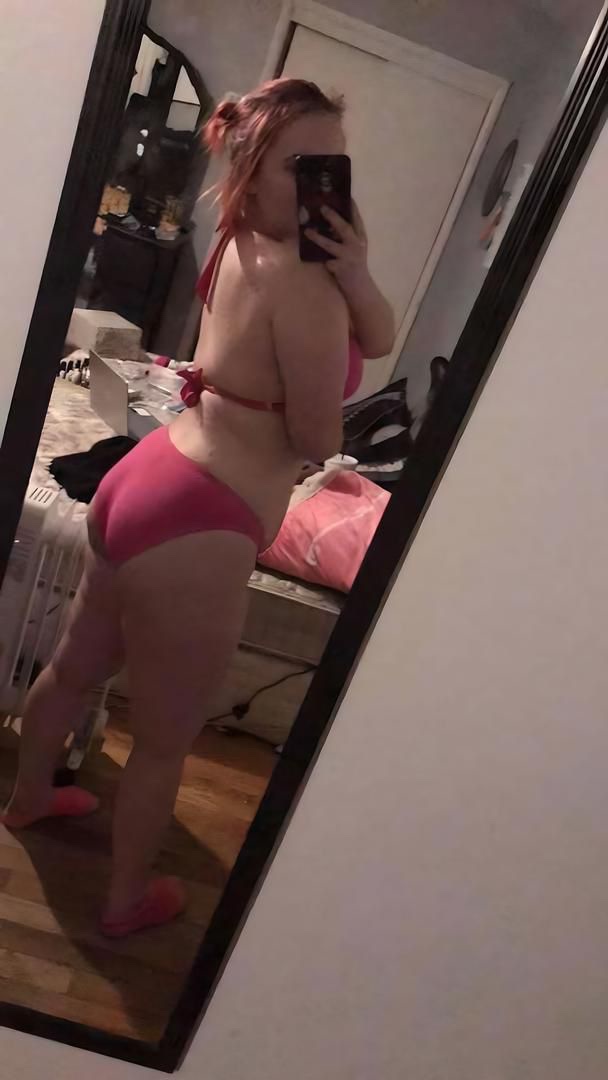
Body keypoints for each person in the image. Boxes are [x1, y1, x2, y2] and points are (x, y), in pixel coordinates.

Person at [1, 78, 394, 937]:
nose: (322, 184)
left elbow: (382, 334)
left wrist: (356, 273)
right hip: (202, 520)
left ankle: (27, 798)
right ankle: (124, 902)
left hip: (148, 476)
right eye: (300, 165)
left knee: (74, 667)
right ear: (252, 167)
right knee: (164, 743)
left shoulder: (237, 237)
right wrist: (331, 315)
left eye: (332, 166)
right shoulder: (302, 283)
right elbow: (319, 433)